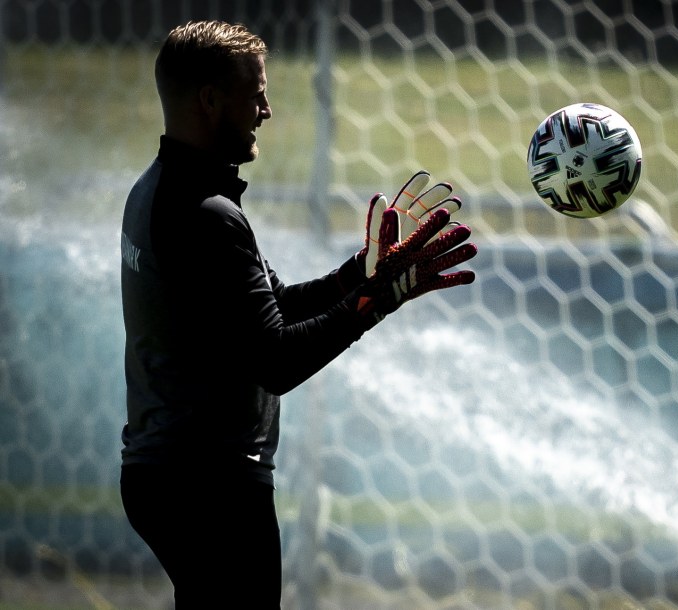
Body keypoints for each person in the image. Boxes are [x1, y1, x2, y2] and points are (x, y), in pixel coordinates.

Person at [118, 20, 476, 608]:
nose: (266, 109)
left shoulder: (159, 190)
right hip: (210, 487)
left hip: (168, 476)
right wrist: (381, 298)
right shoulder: (206, 215)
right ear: (210, 100)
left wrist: (361, 273)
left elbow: (270, 308)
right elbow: (276, 360)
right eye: (255, 92)